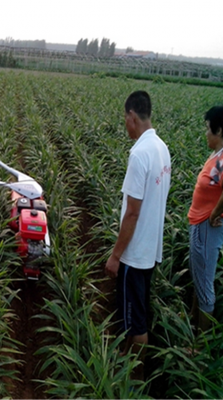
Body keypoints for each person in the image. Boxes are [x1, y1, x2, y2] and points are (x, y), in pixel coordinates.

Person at [105, 90, 171, 380]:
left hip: (134, 254)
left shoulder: (139, 154)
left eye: (125, 119)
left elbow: (132, 212)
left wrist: (116, 255)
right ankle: (127, 362)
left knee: (136, 323)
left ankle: (133, 381)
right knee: (138, 312)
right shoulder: (161, 148)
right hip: (150, 250)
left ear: (132, 116)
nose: (125, 124)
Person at [188, 106, 223, 332]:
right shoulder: (217, 154)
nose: (206, 134)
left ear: (219, 130)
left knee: (204, 283)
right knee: (199, 275)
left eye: (208, 129)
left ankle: (201, 345)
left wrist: (214, 213)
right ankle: (192, 321)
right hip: (200, 225)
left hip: (206, 227)